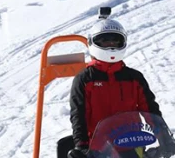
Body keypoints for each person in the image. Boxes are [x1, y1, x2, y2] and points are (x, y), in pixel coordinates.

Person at [69, 11, 161, 150]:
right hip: (98, 149)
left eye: (115, 41)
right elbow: (79, 115)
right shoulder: (85, 79)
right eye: (105, 41)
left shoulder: (133, 78)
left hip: (132, 145)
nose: (111, 45)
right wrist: (82, 146)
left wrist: (162, 137)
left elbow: (150, 110)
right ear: (93, 42)